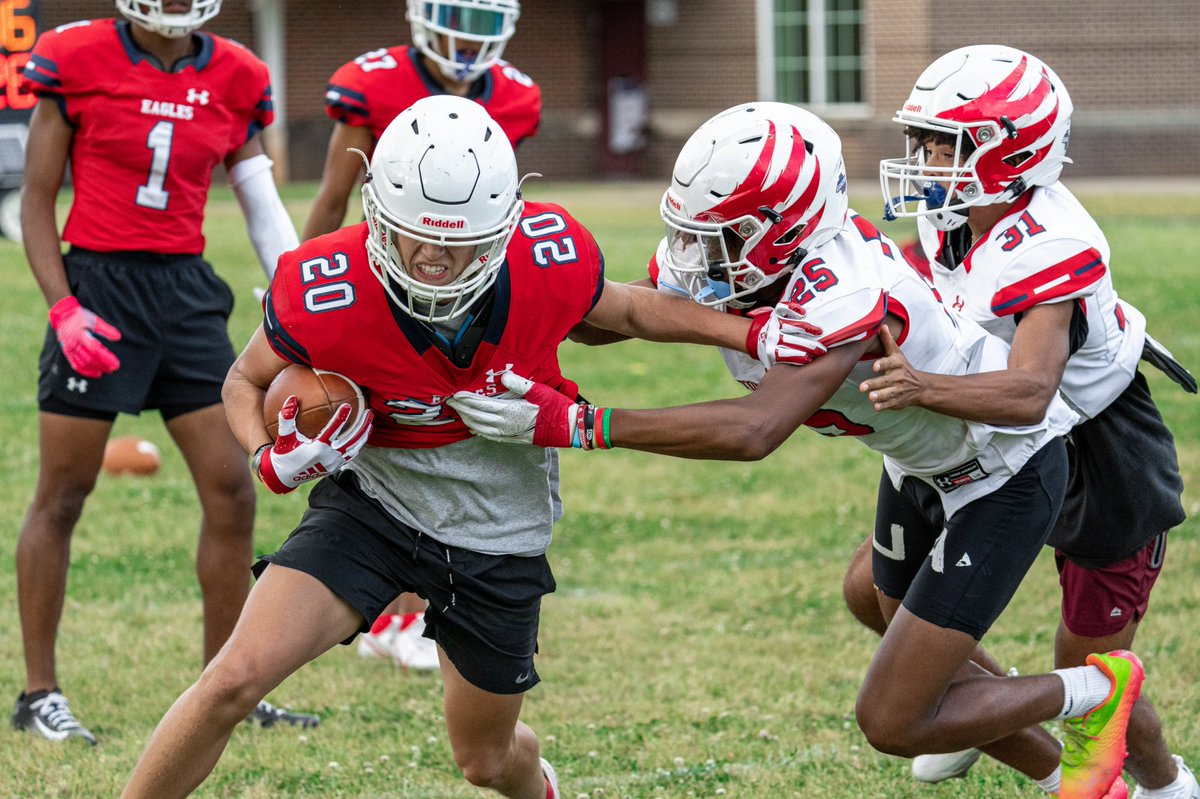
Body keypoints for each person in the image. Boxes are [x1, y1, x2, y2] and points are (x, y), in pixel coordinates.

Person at [447, 101, 1146, 799]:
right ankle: (1073, 776)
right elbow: (622, 312)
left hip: (1003, 470)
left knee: (893, 717)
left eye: (717, 237)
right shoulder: (746, 253)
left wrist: (580, 423)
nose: (693, 254)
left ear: (785, 232)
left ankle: (1094, 687)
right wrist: (511, 288)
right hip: (921, 463)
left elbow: (756, 429)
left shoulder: (842, 294)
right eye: (690, 232)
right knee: (871, 600)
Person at [119, 94, 803, 798]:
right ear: (376, 214)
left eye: (461, 241)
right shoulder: (326, 284)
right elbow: (242, 379)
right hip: (375, 508)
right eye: (414, 234)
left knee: (484, 758)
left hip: (497, 526)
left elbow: (628, 307)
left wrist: (752, 333)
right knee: (232, 678)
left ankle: (536, 786)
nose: (434, 260)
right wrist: (269, 453)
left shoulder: (548, 255)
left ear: (507, 226)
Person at [858, 44, 1197, 798]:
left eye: (945, 142)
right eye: (923, 138)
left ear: (1012, 154)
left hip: (1095, 451)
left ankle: (1168, 786)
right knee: (871, 589)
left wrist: (919, 385)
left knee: (1091, 669)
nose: (923, 157)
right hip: (996, 444)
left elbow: (1028, 392)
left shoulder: (1050, 244)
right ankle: (982, 714)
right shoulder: (959, 211)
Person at [11, 0, 318, 745]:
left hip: (184, 293)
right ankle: (38, 692)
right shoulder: (74, 56)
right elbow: (36, 199)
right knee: (63, 493)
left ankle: (226, 683)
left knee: (230, 486)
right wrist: (64, 309)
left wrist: (298, 300)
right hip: (100, 288)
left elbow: (259, 201)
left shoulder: (236, 72)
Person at [303, 0, 538, 669]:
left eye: (483, 23)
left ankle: (408, 610)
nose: (466, 40)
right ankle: (381, 605)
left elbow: (501, 205)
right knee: (385, 443)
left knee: (444, 441)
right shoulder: (373, 82)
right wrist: (299, 277)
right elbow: (332, 195)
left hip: (465, 289)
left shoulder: (516, 95)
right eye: (454, 19)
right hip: (383, 280)